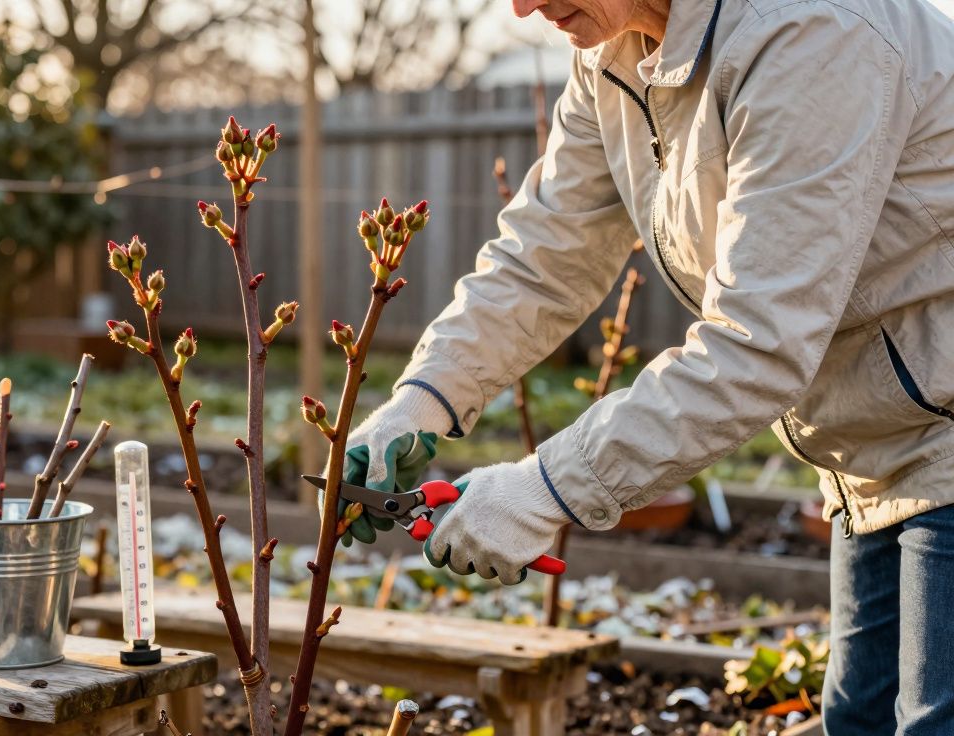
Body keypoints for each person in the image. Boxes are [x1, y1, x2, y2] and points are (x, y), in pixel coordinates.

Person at [336, 0, 954, 733]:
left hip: (942, 431)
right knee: (860, 723)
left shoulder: (813, 33)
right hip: (875, 453)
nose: (521, 7)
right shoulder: (617, 60)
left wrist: (545, 491)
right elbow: (544, 260)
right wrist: (422, 399)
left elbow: (756, 345)